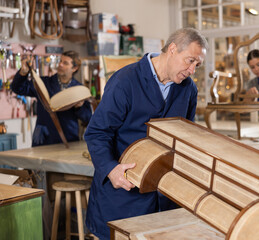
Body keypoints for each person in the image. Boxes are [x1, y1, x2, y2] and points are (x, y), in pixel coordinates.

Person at [84, 27, 208, 239]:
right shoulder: (124, 81)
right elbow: (97, 133)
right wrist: (111, 169)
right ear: (172, 49)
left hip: (164, 197)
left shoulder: (188, 90)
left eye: (198, 64)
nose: (192, 70)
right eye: (190, 61)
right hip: (121, 196)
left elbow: (185, 138)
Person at [11, 50, 92, 146]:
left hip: (68, 139)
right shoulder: (44, 83)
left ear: (74, 68)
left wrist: (80, 107)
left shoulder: (80, 89)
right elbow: (17, 88)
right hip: (44, 138)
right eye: (60, 61)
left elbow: (88, 118)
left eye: (65, 63)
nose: (60, 65)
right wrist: (23, 73)